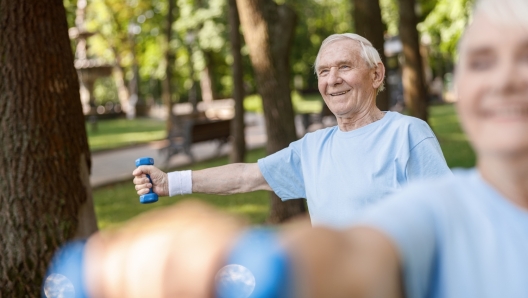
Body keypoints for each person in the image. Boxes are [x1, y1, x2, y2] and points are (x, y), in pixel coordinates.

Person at [133, 33, 451, 228]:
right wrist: (169, 182)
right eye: (324, 71)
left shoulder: (408, 134)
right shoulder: (312, 148)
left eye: (344, 67)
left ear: (376, 74)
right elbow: (246, 177)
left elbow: (452, 217)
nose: (332, 79)